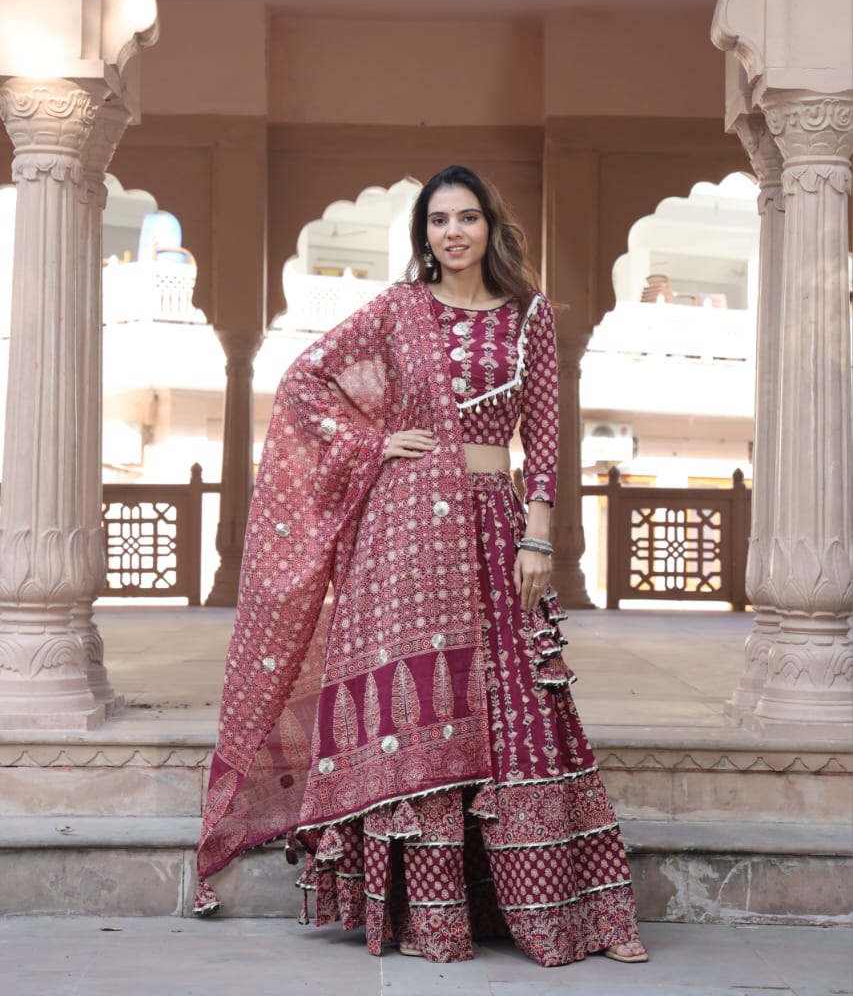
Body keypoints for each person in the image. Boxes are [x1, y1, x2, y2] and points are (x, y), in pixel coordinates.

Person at [194, 164, 647, 967]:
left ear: (491, 228)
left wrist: (537, 535)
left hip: (491, 521)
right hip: (400, 531)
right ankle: (424, 917)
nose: (453, 232)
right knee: (415, 711)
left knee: (515, 700)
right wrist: (373, 444)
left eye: (467, 218)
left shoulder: (527, 317)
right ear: (424, 235)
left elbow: (542, 436)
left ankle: (553, 910)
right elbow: (305, 382)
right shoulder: (398, 311)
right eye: (438, 221)